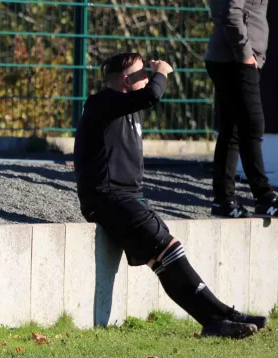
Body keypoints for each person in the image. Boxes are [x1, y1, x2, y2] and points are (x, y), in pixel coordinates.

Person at [73, 52, 268, 338]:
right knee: (170, 249)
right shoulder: (101, 103)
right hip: (108, 198)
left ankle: (216, 320)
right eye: (141, 74)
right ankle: (221, 314)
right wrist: (161, 72)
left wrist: (151, 77)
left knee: (164, 262)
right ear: (126, 80)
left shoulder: (129, 105)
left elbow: (148, 96)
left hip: (129, 198)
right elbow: (152, 94)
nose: (147, 78)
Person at [204, 0, 277, 218]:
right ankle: (263, 197)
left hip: (233, 56)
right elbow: (230, 13)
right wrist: (245, 53)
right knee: (251, 125)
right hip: (235, 58)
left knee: (232, 130)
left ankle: (224, 200)